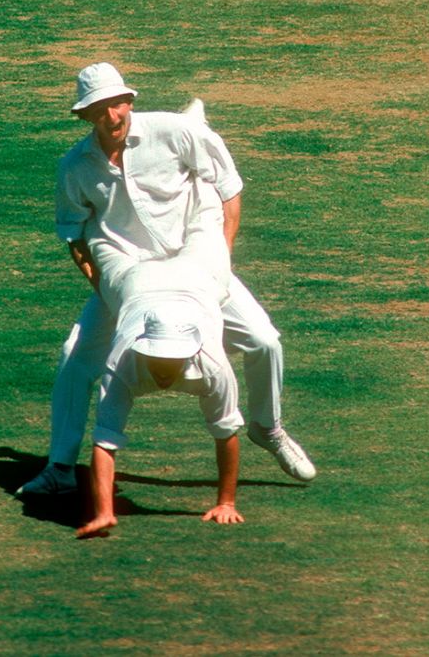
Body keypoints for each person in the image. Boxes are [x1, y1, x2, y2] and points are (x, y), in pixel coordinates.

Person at [16, 63, 316, 497]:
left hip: (196, 266)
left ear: (129, 102)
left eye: (117, 104)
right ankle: (61, 467)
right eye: (99, 109)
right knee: (75, 357)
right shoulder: (74, 168)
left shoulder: (175, 132)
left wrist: (221, 260)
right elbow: (76, 237)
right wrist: (106, 288)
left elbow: (228, 190)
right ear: (85, 116)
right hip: (128, 277)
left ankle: (267, 428)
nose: (112, 116)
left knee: (264, 341)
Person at [76, 274, 245, 539]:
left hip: (199, 285)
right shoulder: (120, 364)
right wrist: (104, 512)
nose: (164, 368)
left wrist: (227, 502)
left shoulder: (215, 367)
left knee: (263, 339)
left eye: (173, 358)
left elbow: (226, 431)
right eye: (158, 357)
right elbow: (104, 440)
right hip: (137, 286)